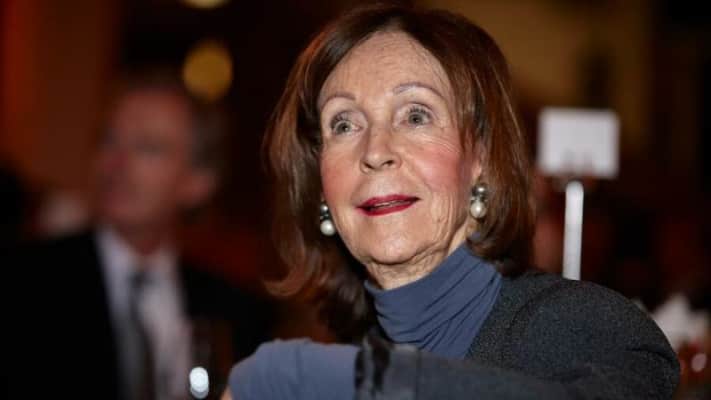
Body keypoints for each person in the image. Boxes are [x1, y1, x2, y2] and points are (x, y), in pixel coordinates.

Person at [221, 4, 680, 400]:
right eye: (343, 124)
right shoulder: (344, 355)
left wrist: (335, 376)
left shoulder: (582, 325)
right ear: (321, 186)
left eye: (415, 115)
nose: (376, 151)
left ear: (479, 159)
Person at [4, 73, 273, 400]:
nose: (116, 163)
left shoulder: (234, 313)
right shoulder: (23, 281)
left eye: (148, 148)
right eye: (108, 140)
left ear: (198, 181)